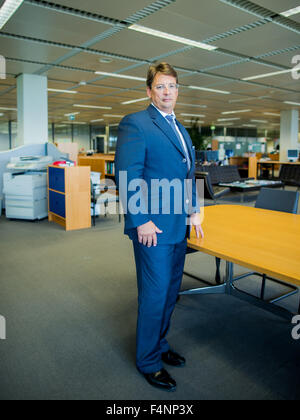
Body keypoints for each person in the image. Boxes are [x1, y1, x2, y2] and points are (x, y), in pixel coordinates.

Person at [115, 62, 204, 392]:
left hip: (178, 225)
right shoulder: (136, 123)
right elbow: (128, 175)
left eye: (173, 86)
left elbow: (187, 175)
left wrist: (194, 211)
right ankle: (148, 361)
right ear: (149, 90)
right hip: (152, 227)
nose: (168, 92)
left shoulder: (180, 128)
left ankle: (159, 345)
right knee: (154, 295)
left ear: (178, 90)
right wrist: (142, 220)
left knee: (169, 293)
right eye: (161, 86)